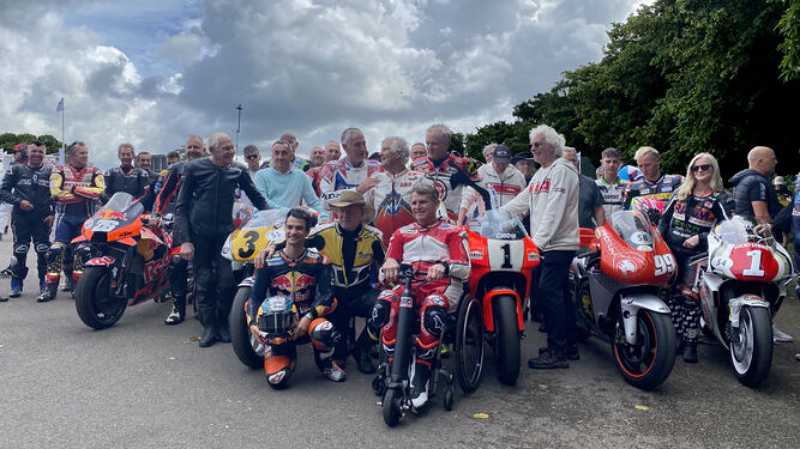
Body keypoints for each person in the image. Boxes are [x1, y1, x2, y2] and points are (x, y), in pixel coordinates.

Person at [370, 181, 470, 408]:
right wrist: (390, 266)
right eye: (414, 202)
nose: (417, 206)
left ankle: (422, 375)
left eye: (423, 202)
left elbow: (465, 269)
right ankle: (394, 368)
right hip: (408, 285)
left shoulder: (453, 232)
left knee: (433, 309)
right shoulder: (401, 233)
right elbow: (385, 269)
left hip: (442, 286)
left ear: (436, 203)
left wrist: (445, 267)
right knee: (383, 305)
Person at [175, 132, 268, 347]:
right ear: (212, 150)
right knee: (204, 280)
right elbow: (181, 207)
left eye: (231, 148)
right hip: (199, 233)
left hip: (226, 234)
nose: (231, 151)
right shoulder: (194, 168)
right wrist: (185, 240)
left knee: (227, 281)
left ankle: (223, 323)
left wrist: (277, 217)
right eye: (225, 148)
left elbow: (257, 198)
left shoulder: (238, 170)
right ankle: (209, 326)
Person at [501, 124, 579, 369]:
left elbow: (554, 212)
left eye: (537, 144)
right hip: (549, 244)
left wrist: (537, 244)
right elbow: (519, 204)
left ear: (552, 146)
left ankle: (557, 351)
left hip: (558, 244)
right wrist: (489, 219)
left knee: (548, 293)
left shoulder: (562, 171)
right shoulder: (541, 173)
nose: (532, 149)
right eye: (532, 144)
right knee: (561, 296)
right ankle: (568, 346)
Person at [248, 208, 346, 384]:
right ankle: (281, 352)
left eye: (299, 228)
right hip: (278, 325)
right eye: (290, 227)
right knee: (277, 381)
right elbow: (254, 298)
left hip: (307, 319)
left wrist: (308, 317)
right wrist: (254, 324)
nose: (293, 232)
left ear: (307, 232)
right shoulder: (267, 261)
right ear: (284, 229)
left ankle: (325, 362)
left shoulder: (318, 260)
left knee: (324, 330)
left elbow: (328, 296)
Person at [659, 153, 730, 363]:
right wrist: (658, 242)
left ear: (713, 169)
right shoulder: (681, 192)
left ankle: (691, 344)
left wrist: (700, 237)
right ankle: (676, 338)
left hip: (698, 255)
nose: (699, 171)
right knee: (669, 295)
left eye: (705, 167)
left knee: (690, 297)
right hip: (671, 250)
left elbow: (729, 229)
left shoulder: (721, 197)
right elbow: (664, 220)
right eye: (695, 168)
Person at [729, 146, 792, 343]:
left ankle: (755, 322)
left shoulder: (741, 180)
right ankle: (765, 324)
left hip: (739, 236)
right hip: (756, 238)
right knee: (777, 278)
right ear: (759, 162)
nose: (776, 162)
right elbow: (761, 215)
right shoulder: (758, 182)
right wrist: (773, 239)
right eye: (772, 158)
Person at [39, 142, 105, 302]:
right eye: (82, 153)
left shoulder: (95, 170)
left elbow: (100, 191)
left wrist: (74, 190)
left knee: (82, 252)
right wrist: (84, 194)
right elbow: (56, 193)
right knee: (55, 251)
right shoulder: (59, 170)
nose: (85, 156)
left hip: (87, 219)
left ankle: (78, 288)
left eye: (86, 153)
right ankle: (50, 289)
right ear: (72, 155)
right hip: (64, 219)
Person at [152, 135, 206, 325]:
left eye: (196, 147)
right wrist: (156, 214)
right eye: (190, 147)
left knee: (205, 265)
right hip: (182, 224)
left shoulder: (212, 167)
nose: (192, 150)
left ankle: (202, 306)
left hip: (206, 225)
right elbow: (163, 194)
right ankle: (177, 308)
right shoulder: (177, 169)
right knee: (176, 263)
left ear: (204, 149)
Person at [0, 142, 54, 298]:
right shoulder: (16, 169)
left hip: (42, 218)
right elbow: (2, 191)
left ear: (44, 153)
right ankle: (16, 283)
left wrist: (52, 213)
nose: (37, 154)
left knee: (43, 250)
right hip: (21, 217)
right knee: (20, 250)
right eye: (33, 151)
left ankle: (44, 283)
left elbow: (56, 194)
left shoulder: (51, 171)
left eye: (40, 151)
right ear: (27, 153)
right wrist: (18, 201)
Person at [359, 137, 424, 246]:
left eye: (385, 149)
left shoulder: (419, 178)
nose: (380, 153)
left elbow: (434, 211)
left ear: (398, 154)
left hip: (414, 244)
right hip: (382, 245)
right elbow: (364, 214)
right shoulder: (374, 179)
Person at [412, 124, 482, 221]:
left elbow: (480, 188)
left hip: (453, 222)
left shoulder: (463, 164)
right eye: (427, 143)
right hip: (424, 222)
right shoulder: (416, 165)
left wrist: (467, 214)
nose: (429, 148)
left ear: (446, 145)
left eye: (434, 144)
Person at [458, 144, 526, 225]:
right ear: (493, 158)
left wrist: (519, 218)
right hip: (487, 225)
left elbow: (525, 200)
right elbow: (468, 197)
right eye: (498, 163)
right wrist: (459, 221)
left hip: (512, 226)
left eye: (504, 163)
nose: (501, 166)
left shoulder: (518, 176)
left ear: (509, 160)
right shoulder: (481, 172)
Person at [318, 128, 380, 215]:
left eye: (364, 143)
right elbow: (325, 201)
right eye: (357, 145)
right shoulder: (331, 168)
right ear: (345, 147)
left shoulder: (377, 167)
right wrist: (357, 191)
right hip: (339, 223)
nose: (362, 149)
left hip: (368, 224)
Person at [254, 140, 325, 217]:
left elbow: (313, 202)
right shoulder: (260, 175)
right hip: (267, 221)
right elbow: (263, 202)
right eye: (276, 153)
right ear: (272, 155)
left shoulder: (300, 176)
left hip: (292, 222)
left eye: (284, 153)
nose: (280, 157)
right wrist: (290, 211)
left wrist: (325, 215)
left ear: (291, 156)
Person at [624, 146, 683, 217]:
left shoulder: (676, 181)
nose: (644, 169)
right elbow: (627, 214)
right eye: (640, 166)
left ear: (658, 162)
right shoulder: (633, 187)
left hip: (669, 225)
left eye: (647, 165)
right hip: (645, 226)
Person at [563, 147, 604, 229]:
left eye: (573, 160)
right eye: (567, 161)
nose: (571, 164)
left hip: (587, 234)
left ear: (578, 162)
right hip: (562, 236)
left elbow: (599, 209)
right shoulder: (553, 184)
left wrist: (601, 230)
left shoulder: (590, 183)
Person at [595, 147, 627, 221]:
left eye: (615, 162)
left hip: (621, 230)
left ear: (620, 163)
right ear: (602, 162)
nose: (611, 165)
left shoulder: (626, 186)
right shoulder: (594, 185)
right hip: (601, 230)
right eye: (608, 161)